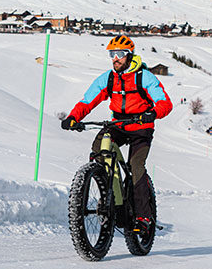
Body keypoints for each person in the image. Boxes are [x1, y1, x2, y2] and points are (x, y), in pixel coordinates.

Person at [61, 35, 172, 228]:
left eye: (120, 54)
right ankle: (109, 191)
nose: (115, 58)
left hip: (141, 127)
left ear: (129, 55)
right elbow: (88, 100)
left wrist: (152, 113)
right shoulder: (109, 78)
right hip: (118, 125)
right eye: (112, 54)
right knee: (99, 147)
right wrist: (73, 117)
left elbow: (165, 103)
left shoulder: (144, 77)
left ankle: (144, 217)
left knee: (136, 166)